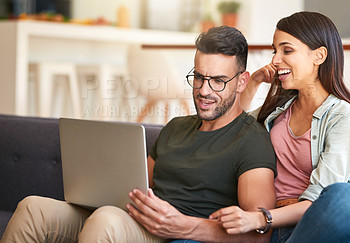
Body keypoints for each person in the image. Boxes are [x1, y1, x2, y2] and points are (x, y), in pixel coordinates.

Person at [1, 26, 276, 243]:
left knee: (106, 219)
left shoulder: (250, 141)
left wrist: (186, 226)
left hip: (163, 230)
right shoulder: (175, 128)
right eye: (199, 78)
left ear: (242, 81)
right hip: (131, 217)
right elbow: (135, 186)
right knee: (32, 208)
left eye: (218, 81)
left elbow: (258, 234)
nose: (204, 91)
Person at [210, 12, 350, 242]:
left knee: (348, 197)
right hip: (269, 230)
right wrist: (253, 82)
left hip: (308, 226)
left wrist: (259, 219)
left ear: (319, 56)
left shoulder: (344, 117)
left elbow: (320, 198)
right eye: (275, 50)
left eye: (287, 50)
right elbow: (231, 125)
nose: (275, 60)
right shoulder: (277, 110)